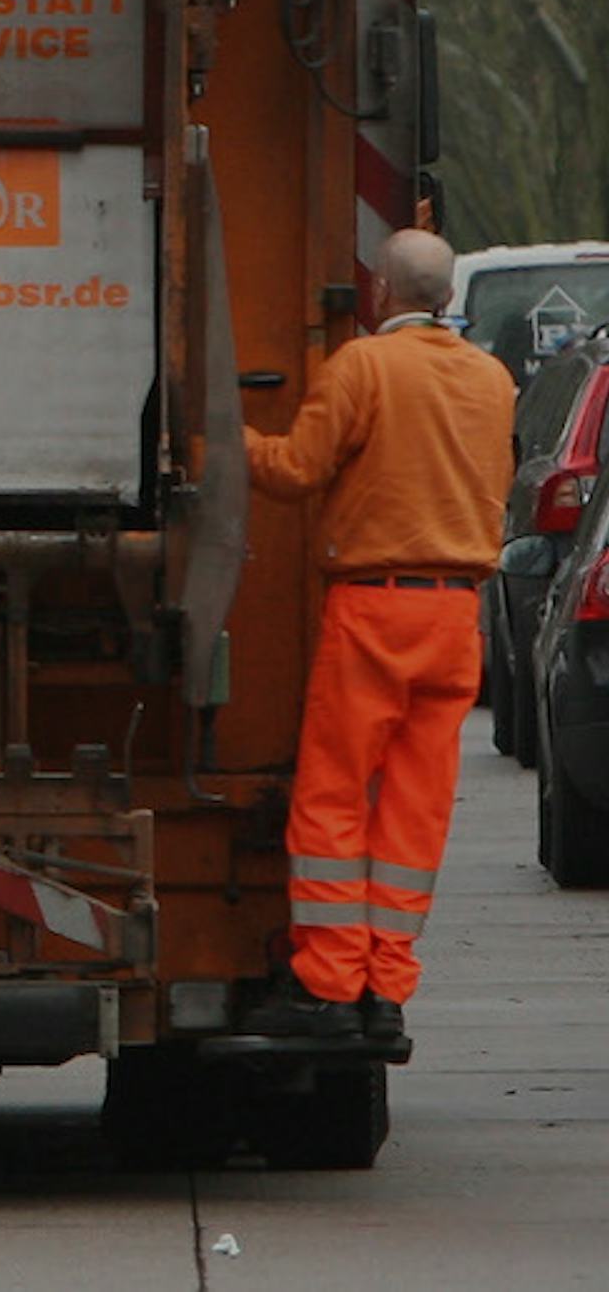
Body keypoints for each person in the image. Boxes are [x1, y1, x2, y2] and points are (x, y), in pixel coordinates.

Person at [241, 228, 514, 1040]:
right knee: (415, 807)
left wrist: (218, 440)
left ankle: (329, 984)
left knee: (332, 795)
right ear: (449, 297)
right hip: (456, 614)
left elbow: (295, 471)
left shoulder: (363, 366)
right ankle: (387, 990)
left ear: (380, 293)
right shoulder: (493, 378)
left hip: (374, 608)